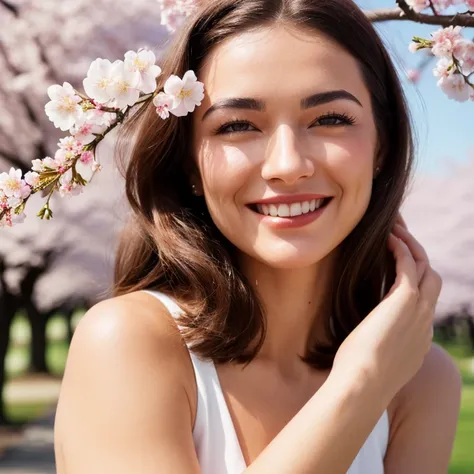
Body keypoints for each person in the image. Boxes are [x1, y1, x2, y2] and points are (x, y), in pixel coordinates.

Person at [53, 0, 462, 473]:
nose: (288, 165)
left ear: (381, 146)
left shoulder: (420, 380)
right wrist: (361, 383)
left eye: (330, 119)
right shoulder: (126, 344)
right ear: (188, 160)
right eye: (237, 126)